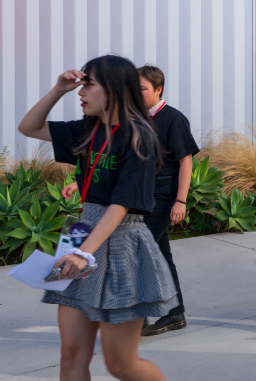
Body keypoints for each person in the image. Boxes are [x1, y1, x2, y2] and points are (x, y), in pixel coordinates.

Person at [18, 55, 177, 380]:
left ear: (114, 88)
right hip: (82, 239)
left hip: (120, 247)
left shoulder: (138, 136)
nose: (81, 91)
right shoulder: (89, 129)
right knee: (71, 355)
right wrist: (58, 89)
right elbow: (29, 127)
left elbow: (121, 206)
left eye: (88, 84)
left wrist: (82, 252)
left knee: (120, 365)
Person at [138, 65, 199, 335]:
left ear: (158, 89)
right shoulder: (135, 118)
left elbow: (186, 161)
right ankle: (175, 314)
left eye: (142, 89)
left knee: (137, 253)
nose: (137, 94)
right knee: (161, 256)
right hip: (142, 197)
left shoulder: (173, 118)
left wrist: (180, 201)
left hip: (164, 197)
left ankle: (134, 317)